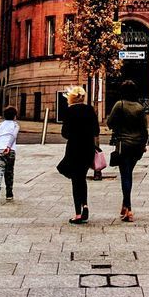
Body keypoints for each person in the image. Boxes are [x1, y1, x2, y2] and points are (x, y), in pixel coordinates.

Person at [106, 80, 149, 222]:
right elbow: (144, 130)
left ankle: (129, 209)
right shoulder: (140, 107)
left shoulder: (119, 105)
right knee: (128, 174)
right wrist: (143, 145)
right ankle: (125, 206)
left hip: (124, 145)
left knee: (126, 176)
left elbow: (110, 123)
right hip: (137, 146)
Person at [60, 86, 99, 224]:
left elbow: (64, 133)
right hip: (88, 148)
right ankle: (85, 205)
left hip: (74, 148)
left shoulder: (69, 111)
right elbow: (96, 131)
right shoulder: (89, 110)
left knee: (76, 180)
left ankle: (77, 213)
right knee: (82, 178)